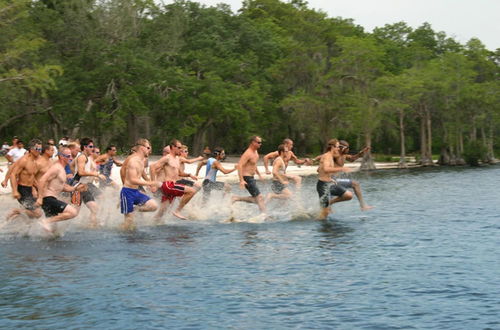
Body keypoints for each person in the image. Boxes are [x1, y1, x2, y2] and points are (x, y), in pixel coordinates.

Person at [36, 147, 85, 234]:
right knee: (73, 212)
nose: (71, 158)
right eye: (68, 156)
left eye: (71, 156)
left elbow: (62, 186)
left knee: (53, 232)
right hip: (48, 199)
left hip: (51, 199)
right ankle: (45, 221)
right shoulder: (56, 168)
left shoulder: (62, 169)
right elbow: (42, 180)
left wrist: (75, 188)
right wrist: (40, 198)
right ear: (61, 156)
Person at [150, 139, 199, 220]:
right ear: (173, 147)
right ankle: (177, 211)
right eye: (179, 148)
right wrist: (152, 185)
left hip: (172, 186)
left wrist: (189, 175)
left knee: (162, 211)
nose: (181, 150)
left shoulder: (177, 159)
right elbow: (152, 167)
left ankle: (152, 223)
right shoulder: (167, 158)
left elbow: (179, 173)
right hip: (168, 185)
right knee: (191, 191)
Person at [120, 139, 157, 230]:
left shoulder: (142, 160)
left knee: (153, 206)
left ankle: (134, 209)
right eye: (148, 148)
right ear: (141, 148)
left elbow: (142, 171)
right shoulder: (132, 160)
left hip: (136, 191)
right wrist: (124, 184)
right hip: (127, 191)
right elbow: (127, 175)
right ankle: (124, 235)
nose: (150, 150)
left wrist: (149, 182)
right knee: (129, 223)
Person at [6, 139, 43, 220]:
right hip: (22, 189)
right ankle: (17, 211)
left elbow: (32, 176)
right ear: (31, 149)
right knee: (38, 213)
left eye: (40, 149)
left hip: (29, 189)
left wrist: (36, 188)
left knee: (33, 214)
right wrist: (14, 191)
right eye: (37, 149)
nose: (39, 151)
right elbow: (13, 174)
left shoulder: (35, 160)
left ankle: (19, 221)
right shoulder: (24, 160)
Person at [73, 138, 106, 227]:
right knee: (74, 212)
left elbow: (73, 166)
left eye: (93, 146)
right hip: (77, 187)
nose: (93, 149)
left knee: (94, 208)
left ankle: (91, 227)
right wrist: (96, 174)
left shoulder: (85, 157)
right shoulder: (82, 157)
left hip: (84, 186)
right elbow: (81, 172)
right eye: (90, 147)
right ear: (84, 147)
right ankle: (52, 221)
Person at [317, 139, 353, 220]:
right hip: (323, 186)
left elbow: (319, 170)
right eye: (337, 147)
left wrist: (329, 178)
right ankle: (317, 225)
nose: (338, 149)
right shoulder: (326, 156)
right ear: (332, 147)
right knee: (324, 215)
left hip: (329, 183)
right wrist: (341, 169)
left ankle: (329, 203)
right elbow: (326, 169)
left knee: (349, 195)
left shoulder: (330, 156)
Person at [334, 140, 374, 211]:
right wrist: (312, 160)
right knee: (355, 184)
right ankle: (363, 206)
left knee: (355, 184)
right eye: (347, 148)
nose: (348, 149)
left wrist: (362, 152)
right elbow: (323, 157)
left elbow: (352, 159)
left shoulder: (344, 156)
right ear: (341, 148)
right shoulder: (334, 155)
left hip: (335, 181)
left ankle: (363, 206)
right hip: (330, 181)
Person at [232, 136, 266, 214]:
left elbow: (253, 165)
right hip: (246, 177)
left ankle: (236, 198)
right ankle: (265, 216)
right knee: (259, 198)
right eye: (259, 142)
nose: (260, 144)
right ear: (253, 142)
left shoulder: (256, 152)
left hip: (251, 177)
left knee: (257, 199)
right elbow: (240, 165)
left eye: (261, 142)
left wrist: (259, 175)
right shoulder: (248, 153)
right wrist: (241, 180)